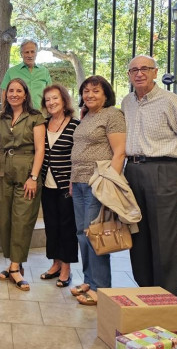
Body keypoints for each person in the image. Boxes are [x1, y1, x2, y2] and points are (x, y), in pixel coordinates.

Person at [122, 55, 177, 297]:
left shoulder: (171, 102)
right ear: (128, 75)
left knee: (164, 239)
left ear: (155, 72)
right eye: (134, 70)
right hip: (133, 171)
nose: (139, 73)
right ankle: (146, 292)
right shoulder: (127, 102)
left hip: (164, 170)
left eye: (144, 69)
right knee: (137, 235)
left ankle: (168, 298)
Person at [69, 75, 126, 306]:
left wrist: (108, 183)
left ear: (106, 94)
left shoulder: (113, 115)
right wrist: (73, 181)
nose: (89, 95)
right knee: (83, 235)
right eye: (86, 91)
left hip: (97, 184)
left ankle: (101, 288)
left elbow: (119, 152)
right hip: (79, 182)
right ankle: (88, 280)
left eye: (95, 91)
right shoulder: (86, 116)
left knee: (96, 236)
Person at [0, 78, 45, 292]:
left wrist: (33, 176)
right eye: (10, 90)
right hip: (2, 171)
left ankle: (14, 268)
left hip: (26, 171)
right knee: (5, 219)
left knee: (22, 219)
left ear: (25, 94)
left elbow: (40, 149)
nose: (13, 94)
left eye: (18, 90)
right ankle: (14, 262)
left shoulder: (35, 118)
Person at [38, 84, 80, 288]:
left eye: (55, 98)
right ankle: (55, 263)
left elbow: (78, 157)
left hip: (67, 186)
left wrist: (74, 180)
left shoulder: (75, 125)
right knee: (51, 226)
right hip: (46, 185)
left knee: (67, 227)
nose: (51, 103)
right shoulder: (43, 124)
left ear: (64, 100)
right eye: (47, 100)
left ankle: (66, 268)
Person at [0, 40, 51, 110]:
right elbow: (4, 94)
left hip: (41, 115)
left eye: (32, 52)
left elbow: (50, 93)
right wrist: (5, 112)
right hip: (18, 115)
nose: (30, 55)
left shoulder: (44, 71)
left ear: (36, 53)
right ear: (21, 54)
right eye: (26, 52)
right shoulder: (11, 72)